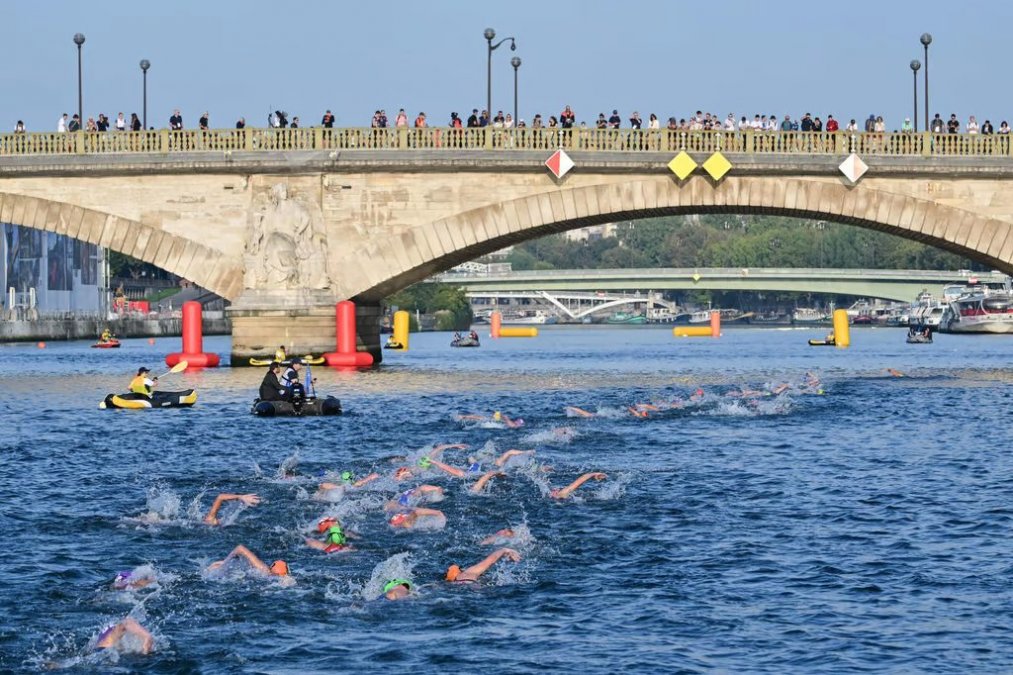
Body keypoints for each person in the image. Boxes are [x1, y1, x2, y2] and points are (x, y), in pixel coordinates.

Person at [208, 544, 292, 581]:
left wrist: (224, 563)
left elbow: (240, 548)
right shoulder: (263, 569)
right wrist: (224, 563)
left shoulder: (264, 570)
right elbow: (240, 548)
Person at [445, 548, 521, 583]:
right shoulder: (467, 574)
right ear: (459, 572)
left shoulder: (449, 585)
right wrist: (505, 550)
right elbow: (491, 560)